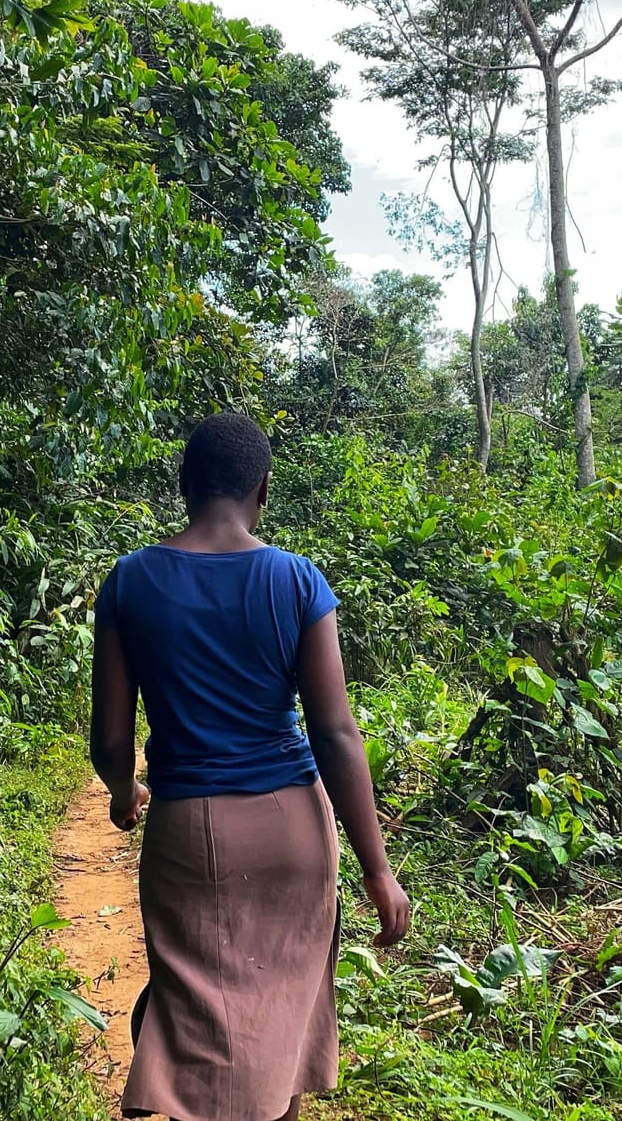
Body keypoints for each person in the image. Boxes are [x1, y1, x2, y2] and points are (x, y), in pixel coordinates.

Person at [89, 412, 410, 1121]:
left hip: (190, 832)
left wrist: (124, 791)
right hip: (294, 827)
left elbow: (110, 740)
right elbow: (335, 731)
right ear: (264, 489)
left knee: (194, 1008)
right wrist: (377, 868)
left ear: (183, 485)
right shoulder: (297, 580)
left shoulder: (130, 580)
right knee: (281, 1015)